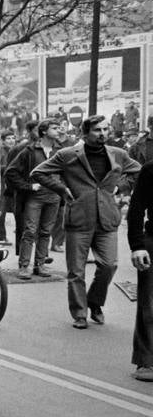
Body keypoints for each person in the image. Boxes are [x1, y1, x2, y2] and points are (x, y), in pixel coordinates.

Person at [31, 115, 142, 329]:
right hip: (79, 218)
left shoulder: (118, 154)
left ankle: (95, 302)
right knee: (76, 271)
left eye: (105, 130)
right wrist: (62, 190)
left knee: (109, 265)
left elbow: (138, 171)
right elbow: (38, 173)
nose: (103, 134)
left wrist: (122, 187)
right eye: (97, 130)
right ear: (85, 133)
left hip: (107, 218)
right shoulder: (67, 155)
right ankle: (80, 313)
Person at [4, 119, 62, 279]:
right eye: (55, 128)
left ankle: (40, 265)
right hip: (34, 198)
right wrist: (28, 186)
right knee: (29, 231)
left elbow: (68, 172)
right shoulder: (30, 150)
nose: (58, 130)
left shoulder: (60, 150)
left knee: (46, 232)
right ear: (44, 131)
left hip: (54, 197)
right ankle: (24, 266)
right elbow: (11, 172)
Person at [127, 161, 153, 381]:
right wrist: (138, 246)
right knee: (150, 304)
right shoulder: (151, 169)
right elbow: (136, 208)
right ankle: (147, 361)